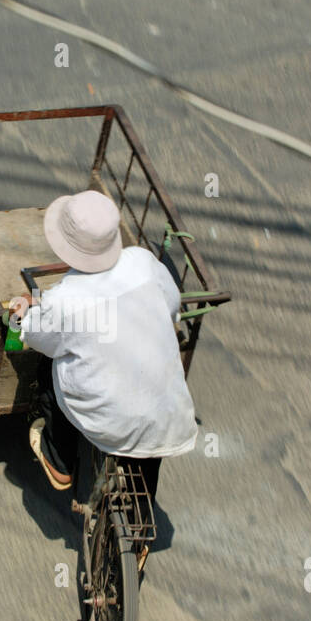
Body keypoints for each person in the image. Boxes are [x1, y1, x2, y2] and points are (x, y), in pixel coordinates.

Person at [16, 190, 196, 506]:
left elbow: (36, 337)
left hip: (103, 418)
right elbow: (171, 305)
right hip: (168, 413)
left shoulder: (64, 298)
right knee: (150, 448)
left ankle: (58, 461)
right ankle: (140, 523)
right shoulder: (143, 263)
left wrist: (23, 315)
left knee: (50, 363)